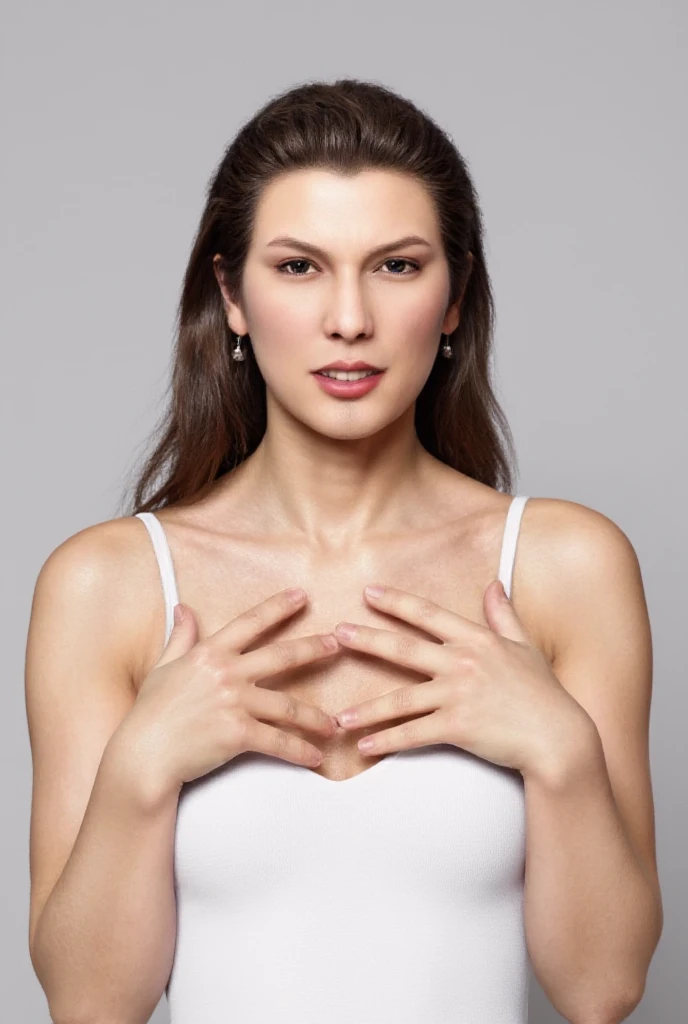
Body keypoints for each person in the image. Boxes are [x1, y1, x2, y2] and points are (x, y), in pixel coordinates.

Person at [25, 78, 662, 1024]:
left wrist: (559, 746)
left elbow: (602, 989)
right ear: (231, 296)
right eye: (299, 268)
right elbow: (88, 1005)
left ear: (455, 300)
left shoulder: (564, 566)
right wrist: (141, 766)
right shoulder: (106, 586)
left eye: (397, 267)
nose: (350, 319)